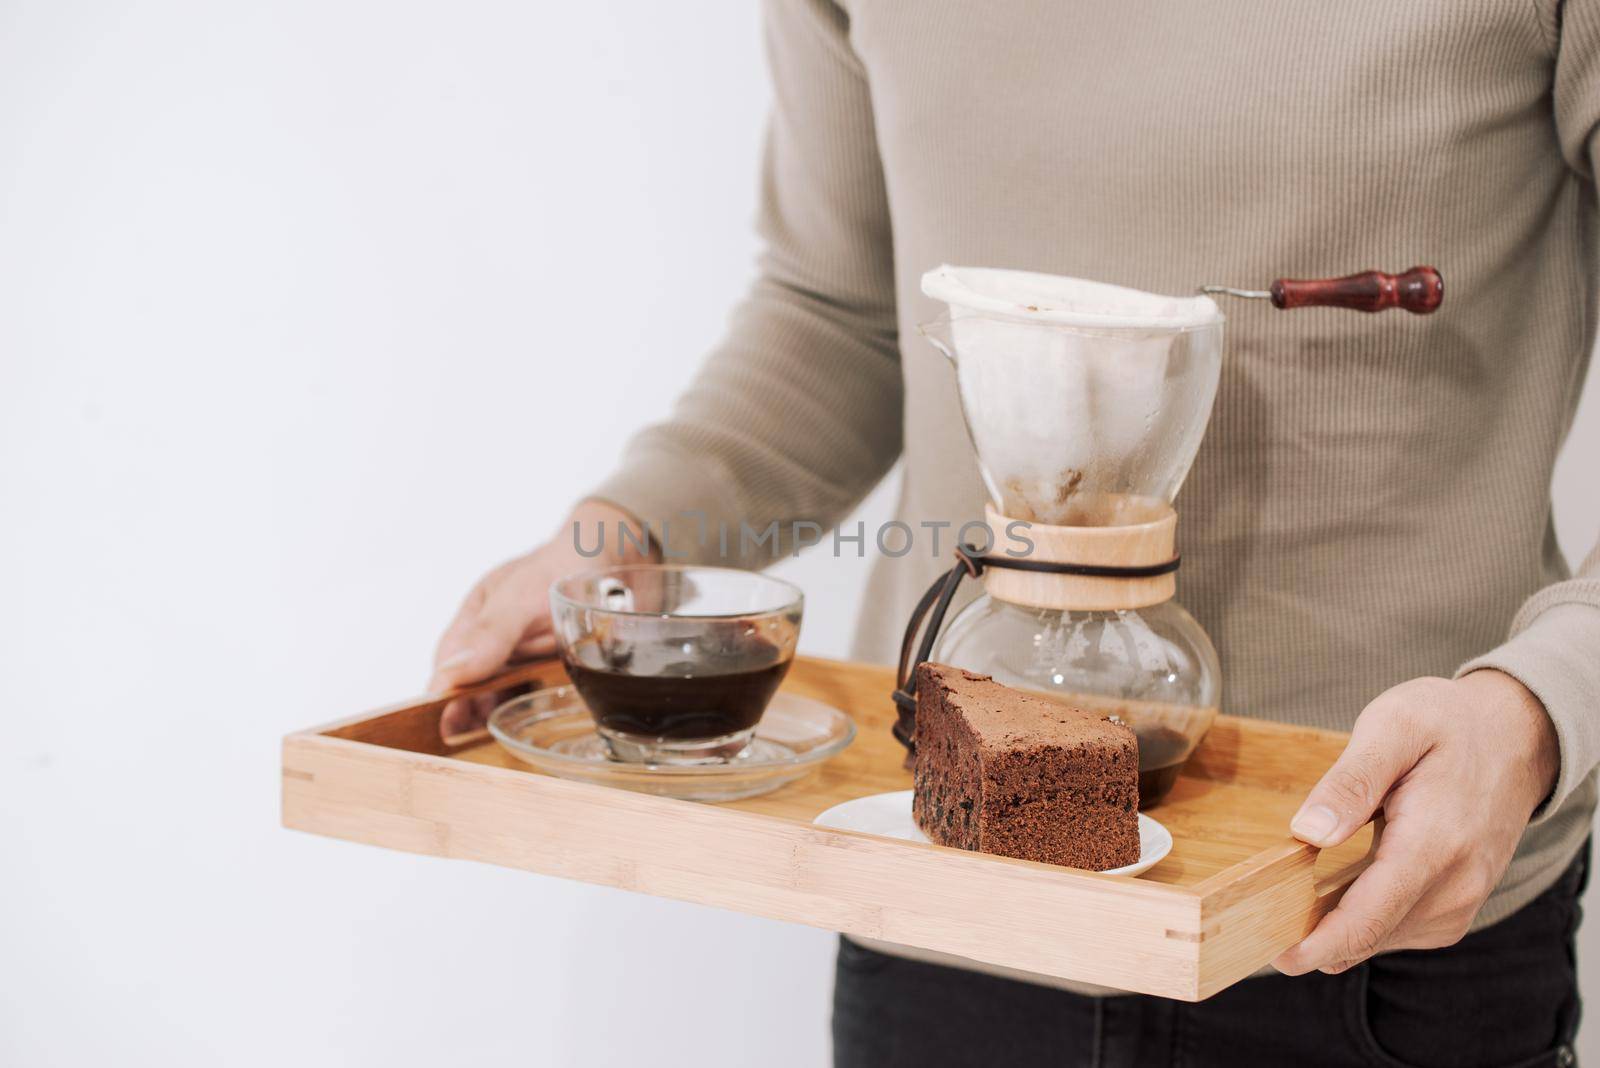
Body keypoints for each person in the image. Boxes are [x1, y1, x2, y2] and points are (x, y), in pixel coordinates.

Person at [429, 2, 1600, 1065]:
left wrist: (1542, 704)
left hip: (1364, 909)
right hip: (946, 910)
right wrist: (622, 533)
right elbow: (841, 313)